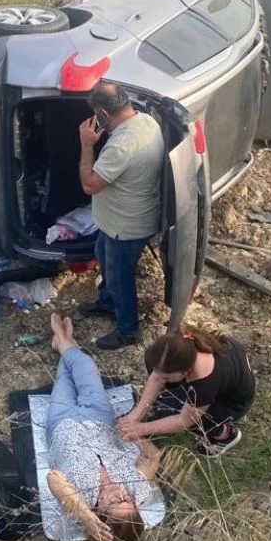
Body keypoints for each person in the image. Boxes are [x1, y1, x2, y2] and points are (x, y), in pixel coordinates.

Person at [46, 313, 161, 541]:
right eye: (126, 500)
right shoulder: (135, 489)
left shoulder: (79, 502)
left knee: (65, 377)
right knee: (86, 366)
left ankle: (63, 341)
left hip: (61, 423)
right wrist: (135, 436)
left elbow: (53, 478)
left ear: (99, 514)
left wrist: (84, 515)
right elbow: (154, 457)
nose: (120, 494)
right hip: (99, 416)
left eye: (115, 502)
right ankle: (64, 341)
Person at [78, 82, 164, 350]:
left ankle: (128, 330)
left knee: (119, 278)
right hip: (117, 220)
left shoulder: (121, 145)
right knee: (102, 255)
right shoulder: (146, 121)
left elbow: (89, 185)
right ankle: (107, 303)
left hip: (125, 227)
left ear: (103, 113)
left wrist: (87, 145)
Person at [116, 328, 255, 456]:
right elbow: (157, 377)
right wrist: (136, 415)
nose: (160, 377)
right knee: (153, 365)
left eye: (167, 377)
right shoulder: (181, 346)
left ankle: (224, 435)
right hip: (227, 379)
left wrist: (141, 429)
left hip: (233, 403)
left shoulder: (204, 385)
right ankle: (173, 395)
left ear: (187, 371)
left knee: (183, 415)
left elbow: (183, 421)